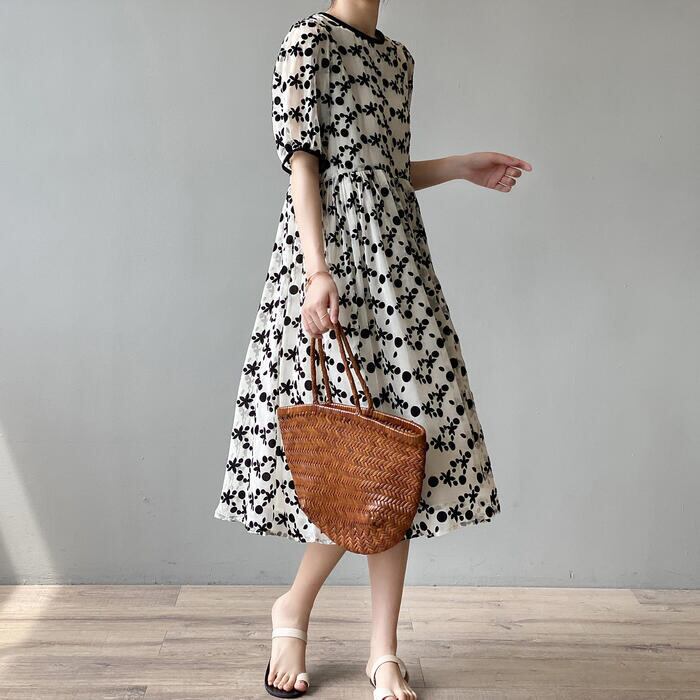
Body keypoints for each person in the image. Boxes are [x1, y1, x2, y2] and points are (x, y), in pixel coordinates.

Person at [214, 2, 532, 698]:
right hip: (334, 268)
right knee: (351, 453)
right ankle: (294, 608)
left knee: (400, 455)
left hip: (400, 271)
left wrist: (462, 166)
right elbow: (305, 165)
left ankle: (382, 649)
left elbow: (382, 168)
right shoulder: (308, 41)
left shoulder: (397, 59)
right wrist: (316, 271)